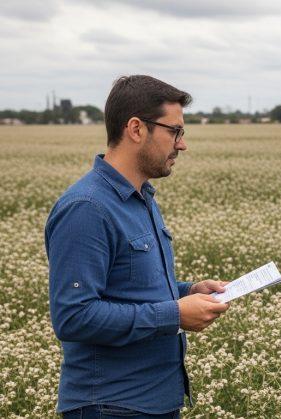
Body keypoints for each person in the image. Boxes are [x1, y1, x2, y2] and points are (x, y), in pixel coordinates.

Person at [46, 75, 231, 418]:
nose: (182, 144)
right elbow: (73, 316)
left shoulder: (139, 198)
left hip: (152, 400)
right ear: (136, 129)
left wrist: (189, 290)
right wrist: (175, 313)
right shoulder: (88, 208)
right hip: (111, 405)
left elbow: (126, 289)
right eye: (174, 131)